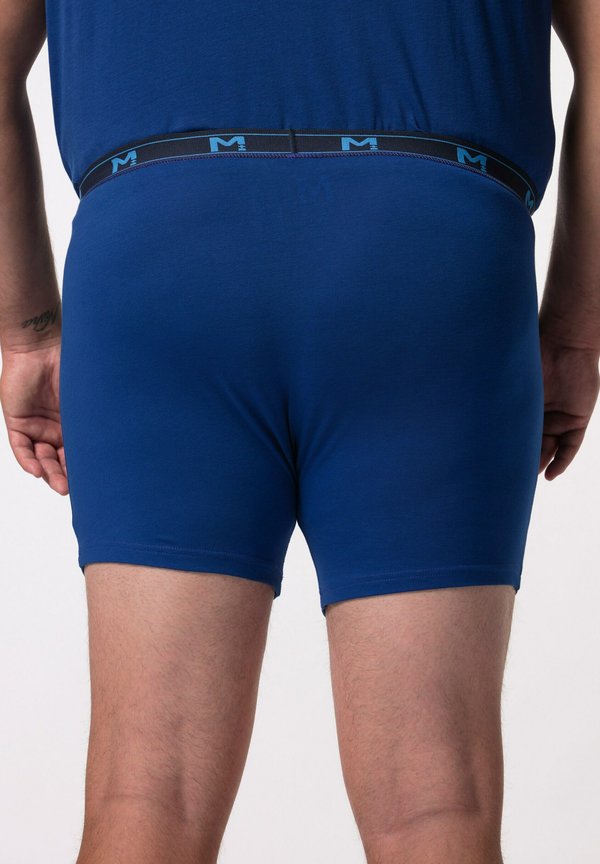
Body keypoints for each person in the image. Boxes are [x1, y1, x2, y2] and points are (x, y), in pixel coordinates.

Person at [1, 0, 599, 861]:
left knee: (147, 791)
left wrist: (25, 330)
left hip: (160, 245)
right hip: (430, 251)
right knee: (435, 805)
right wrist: (574, 329)